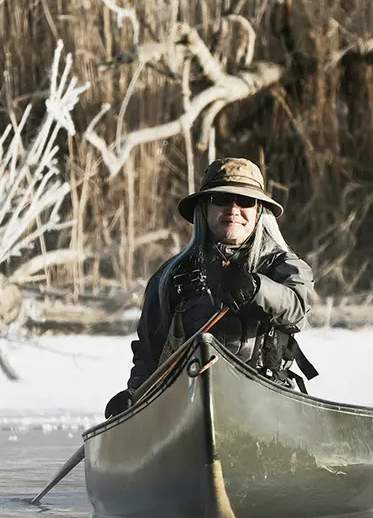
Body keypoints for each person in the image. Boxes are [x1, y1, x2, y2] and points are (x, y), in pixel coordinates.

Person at [105, 157, 318, 418]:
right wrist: (135, 396)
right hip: (187, 406)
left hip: (268, 402)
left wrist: (257, 288)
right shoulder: (170, 275)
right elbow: (151, 350)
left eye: (245, 201)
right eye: (221, 199)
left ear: (259, 211)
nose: (233, 209)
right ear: (204, 209)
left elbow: (297, 310)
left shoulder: (284, 265)